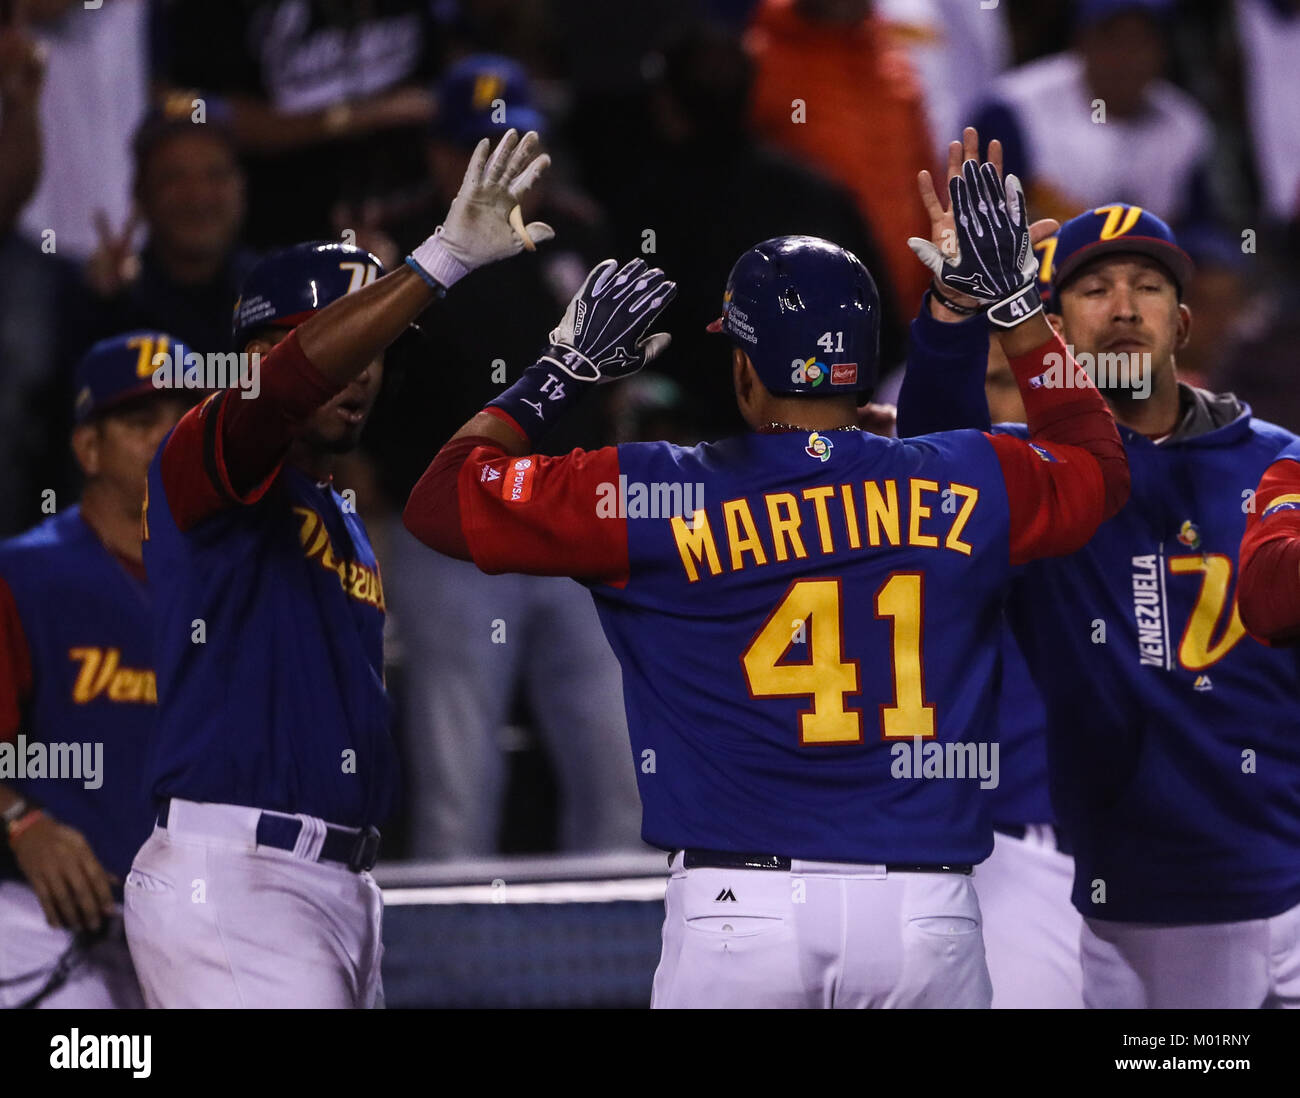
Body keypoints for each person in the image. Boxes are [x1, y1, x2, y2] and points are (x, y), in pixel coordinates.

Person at [400, 154, 1129, 1007]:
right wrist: (1013, 306)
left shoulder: (654, 490)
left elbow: (441, 502)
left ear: (744, 371)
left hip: (743, 916)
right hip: (926, 915)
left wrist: (562, 371)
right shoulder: (964, 475)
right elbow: (1098, 464)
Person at [122, 130, 553, 1008]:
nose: (361, 370)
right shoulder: (204, 455)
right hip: (236, 876)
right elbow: (281, 390)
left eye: (374, 348)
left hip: (343, 884)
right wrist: (437, 260)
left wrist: (559, 375)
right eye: (335, 342)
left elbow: (452, 483)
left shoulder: (340, 513)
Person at [898, 143, 1300, 1008]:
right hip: (1149, 907)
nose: (1123, 308)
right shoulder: (1037, 475)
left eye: (1148, 287)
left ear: (1183, 325)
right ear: (1055, 327)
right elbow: (929, 465)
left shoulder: (1284, 468)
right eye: (1093, 289)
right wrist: (953, 310)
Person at [0, 332, 193, 1008]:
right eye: (142, 424)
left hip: (198, 923)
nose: (168, 440)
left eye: (185, 421)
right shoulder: (24, 573)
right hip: (43, 918)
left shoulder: (236, 581)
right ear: (88, 449)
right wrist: (21, 819)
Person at [969, 0, 1215, 227]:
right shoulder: (1012, 110)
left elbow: (1201, 229)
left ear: (1164, 50)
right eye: (1112, 38)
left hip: (1140, 268)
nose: (1127, 56)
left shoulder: (1184, 123)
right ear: (1081, 41)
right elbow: (976, 225)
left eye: (1142, 40)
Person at [85, 105, 257, 355]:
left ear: (242, 187)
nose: (198, 196)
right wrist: (105, 305)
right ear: (140, 192)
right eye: (173, 177)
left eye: (215, 174)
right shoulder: (108, 305)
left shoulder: (276, 295)